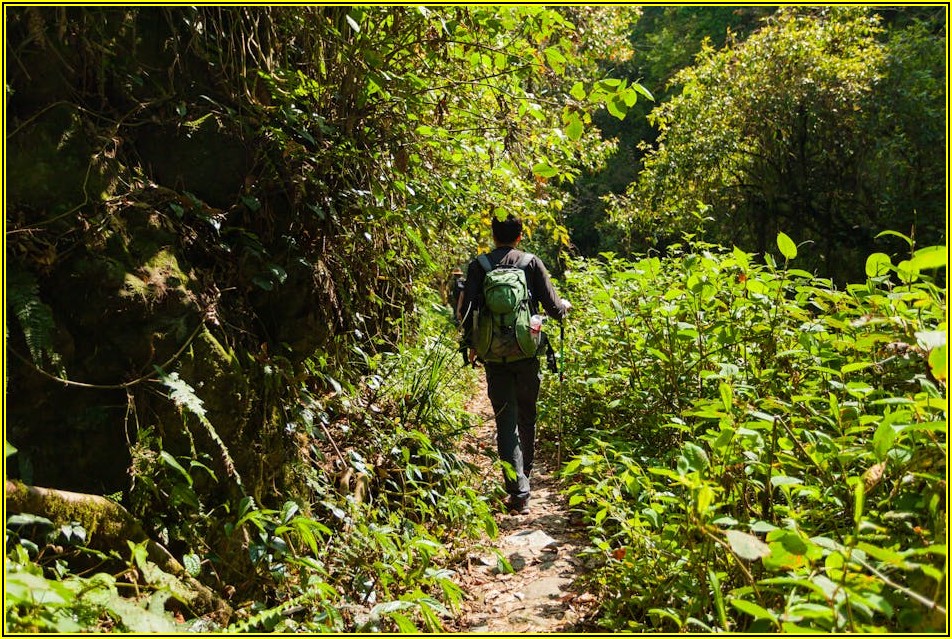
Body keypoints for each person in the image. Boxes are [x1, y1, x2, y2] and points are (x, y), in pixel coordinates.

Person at [459, 214, 570, 515]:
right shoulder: (531, 263)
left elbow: (467, 312)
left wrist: (471, 346)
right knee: (526, 414)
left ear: (493, 235)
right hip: (527, 351)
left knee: (505, 420)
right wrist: (564, 308)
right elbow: (554, 308)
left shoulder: (479, 266)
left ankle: (518, 490)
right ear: (520, 236)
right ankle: (525, 476)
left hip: (494, 355)